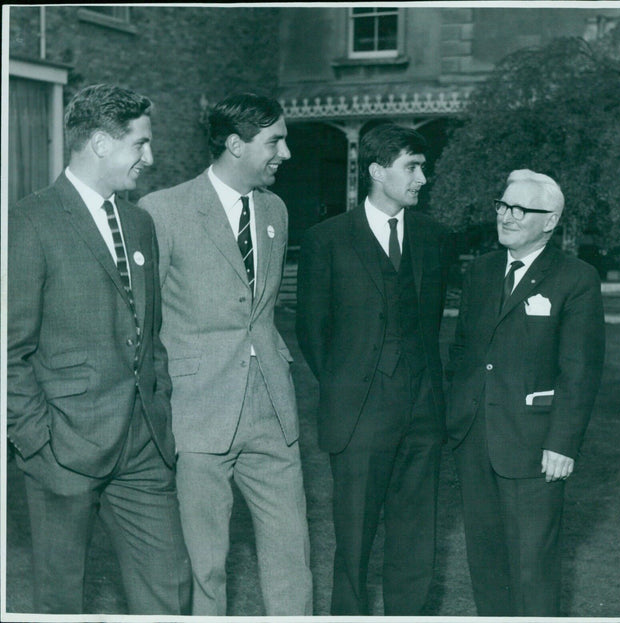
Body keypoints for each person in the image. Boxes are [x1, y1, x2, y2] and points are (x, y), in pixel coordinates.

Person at [7, 83, 191, 614]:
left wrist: (160, 409)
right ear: (103, 145)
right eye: (141, 144)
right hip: (63, 448)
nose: (150, 158)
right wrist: (37, 441)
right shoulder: (29, 220)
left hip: (143, 447)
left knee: (169, 589)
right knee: (61, 600)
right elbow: (8, 348)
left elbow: (149, 331)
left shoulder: (138, 223)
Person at [139, 93, 312, 616]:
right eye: (275, 140)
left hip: (273, 410)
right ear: (235, 144)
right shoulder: (162, 209)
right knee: (205, 563)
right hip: (198, 412)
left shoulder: (275, 208)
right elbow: (143, 322)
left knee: (291, 556)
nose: (285, 152)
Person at [296, 123, 450, 615]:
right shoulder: (328, 239)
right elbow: (311, 331)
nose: (423, 177)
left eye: (422, 167)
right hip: (358, 415)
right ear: (378, 171)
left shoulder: (434, 238)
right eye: (413, 166)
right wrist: (349, 385)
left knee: (417, 538)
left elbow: (432, 323)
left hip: (423, 411)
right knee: (354, 543)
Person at [447, 170, 605, 616]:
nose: (507, 217)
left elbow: (581, 370)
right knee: (486, 564)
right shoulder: (480, 272)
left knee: (533, 569)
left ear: (550, 220)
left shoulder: (576, 278)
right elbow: (463, 350)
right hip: (474, 440)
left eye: (520, 210)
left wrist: (562, 442)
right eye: (502, 206)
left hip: (535, 448)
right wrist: (458, 418)